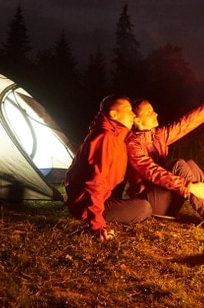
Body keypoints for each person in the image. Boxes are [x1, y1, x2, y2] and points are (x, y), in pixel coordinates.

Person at [125, 83, 204, 241]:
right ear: (136, 120)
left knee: (189, 163)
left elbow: (182, 125)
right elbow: (153, 172)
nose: (155, 113)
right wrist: (187, 186)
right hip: (149, 203)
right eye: (149, 112)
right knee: (179, 165)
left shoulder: (156, 135)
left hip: (165, 198)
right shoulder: (132, 145)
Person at [64, 95, 153, 240]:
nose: (133, 114)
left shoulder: (116, 135)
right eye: (128, 110)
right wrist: (97, 225)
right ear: (113, 114)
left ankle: (107, 208)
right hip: (86, 204)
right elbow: (94, 183)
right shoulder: (104, 138)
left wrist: (141, 128)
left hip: (101, 197)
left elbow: (133, 142)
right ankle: (97, 215)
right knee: (144, 208)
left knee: (139, 203)